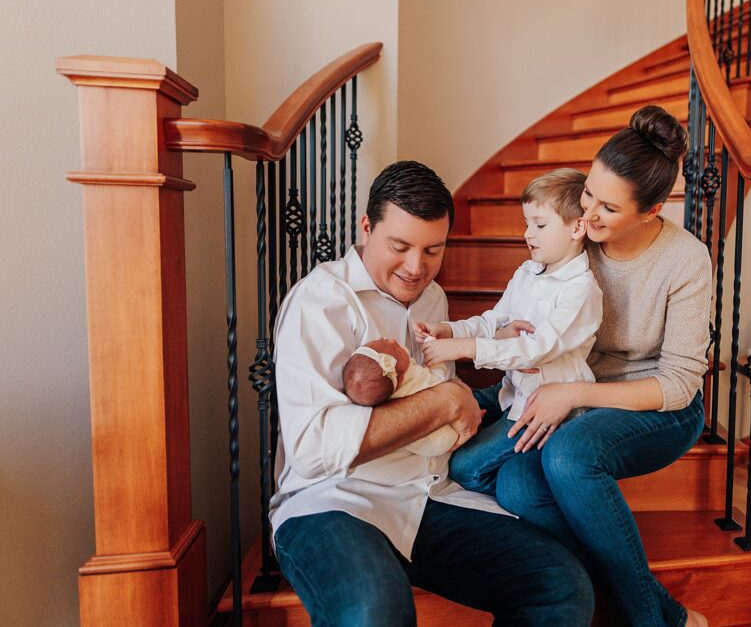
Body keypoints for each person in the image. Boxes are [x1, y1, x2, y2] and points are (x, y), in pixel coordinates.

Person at [269, 160, 594, 626]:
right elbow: (313, 451)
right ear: (366, 227)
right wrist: (444, 400)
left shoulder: (431, 299)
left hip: (429, 495)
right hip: (332, 501)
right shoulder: (320, 302)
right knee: (375, 610)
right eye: (399, 247)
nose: (416, 267)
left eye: (433, 250)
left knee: (561, 585)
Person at [490, 106, 712, 627]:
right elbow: (525, 315)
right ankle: (653, 609)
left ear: (652, 210)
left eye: (608, 208)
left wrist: (574, 395)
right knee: (517, 486)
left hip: (658, 403)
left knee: (568, 457)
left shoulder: (685, 261)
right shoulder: (571, 242)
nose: (587, 215)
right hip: (575, 391)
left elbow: (679, 382)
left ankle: (649, 623)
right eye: (588, 192)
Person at [417, 167, 603, 494]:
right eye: (526, 223)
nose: (528, 234)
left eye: (540, 225)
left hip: (542, 409)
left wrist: (466, 349)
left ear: (577, 227)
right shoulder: (527, 273)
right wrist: (449, 330)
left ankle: (534, 464)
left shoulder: (580, 291)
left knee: (462, 467)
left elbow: (537, 349)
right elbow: (494, 321)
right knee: (442, 409)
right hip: (513, 391)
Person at [341, 337, 457, 456]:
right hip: (446, 432)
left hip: (423, 447)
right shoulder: (413, 377)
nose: (393, 340)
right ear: (400, 379)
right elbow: (438, 377)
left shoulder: (382, 394)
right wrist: (432, 348)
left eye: (384, 340)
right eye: (395, 349)